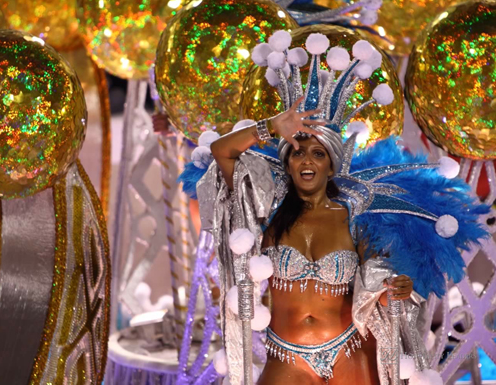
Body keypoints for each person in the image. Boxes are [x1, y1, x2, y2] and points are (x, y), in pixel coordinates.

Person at [180, 31, 487, 385]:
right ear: (288, 161)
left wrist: (395, 289)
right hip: (286, 355)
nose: (306, 160)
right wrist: (272, 126)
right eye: (297, 151)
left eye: (318, 153)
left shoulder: (355, 216)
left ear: (331, 165)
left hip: (350, 351)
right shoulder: (267, 208)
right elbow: (222, 153)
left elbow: (377, 287)